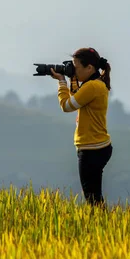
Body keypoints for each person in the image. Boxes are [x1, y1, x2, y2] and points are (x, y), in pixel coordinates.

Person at [49, 47, 113, 207]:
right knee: (94, 196)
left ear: (89, 68)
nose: (73, 71)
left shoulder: (92, 87)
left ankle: (102, 227)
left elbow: (67, 105)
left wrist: (62, 82)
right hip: (97, 146)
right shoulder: (95, 85)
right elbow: (77, 97)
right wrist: (71, 79)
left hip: (92, 148)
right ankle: (103, 225)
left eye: (75, 67)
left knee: (93, 199)